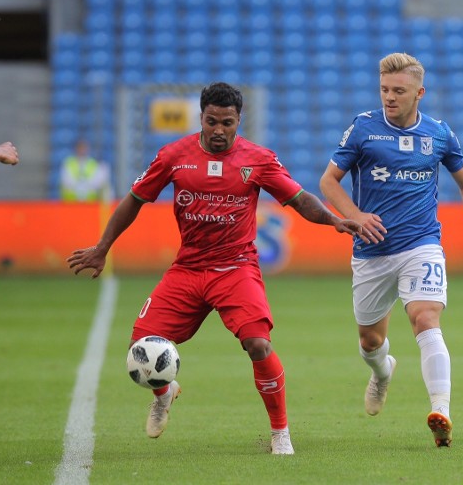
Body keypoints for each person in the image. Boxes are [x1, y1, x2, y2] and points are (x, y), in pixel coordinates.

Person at [67, 82, 362, 455]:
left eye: (227, 123)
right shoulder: (174, 155)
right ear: (200, 117)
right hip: (188, 268)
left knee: (258, 344)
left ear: (239, 120)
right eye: (211, 121)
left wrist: (334, 220)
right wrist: (102, 247)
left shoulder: (258, 159)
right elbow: (134, 200)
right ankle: (164, 392)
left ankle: (280, 433)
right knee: (141, 347)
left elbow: (299, 199)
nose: (219, 130)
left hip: (236, 269)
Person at [319, 52, 463, 447]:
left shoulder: (439, 134)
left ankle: (441, 411)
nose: (389, 97)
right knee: (369, 340)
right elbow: (329, 181)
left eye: (398, 91)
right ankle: (383, 372)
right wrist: (355, 215)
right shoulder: (364, 129)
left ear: (420, 92)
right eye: (384, 89)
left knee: (425, 318)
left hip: (422, 244)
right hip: (372, 251)